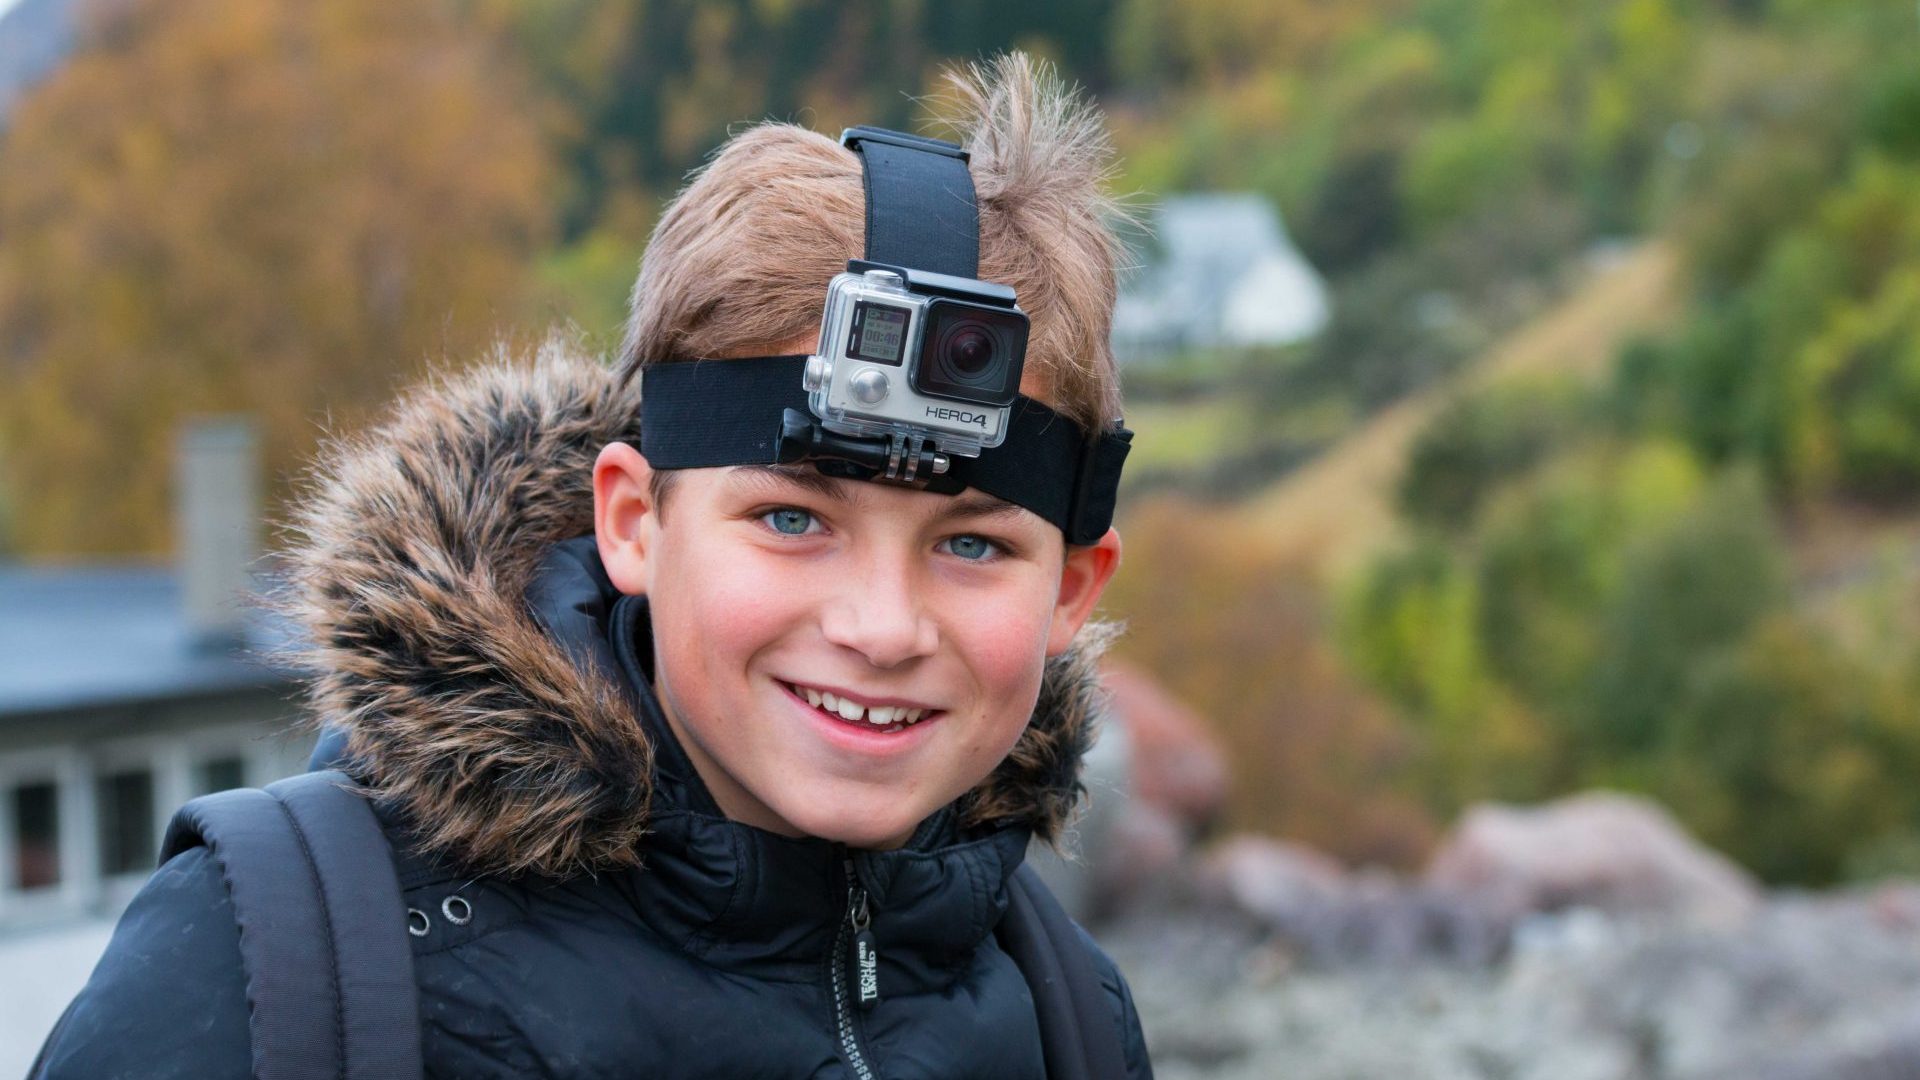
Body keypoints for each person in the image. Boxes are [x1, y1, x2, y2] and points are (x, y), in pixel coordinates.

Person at [32, 52, 1151, 1079]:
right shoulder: (272, 970)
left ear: (1069, 590)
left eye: (971, 544)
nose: (882, 627)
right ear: (632, 524)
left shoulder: (1070, 1016)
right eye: (792, 519)